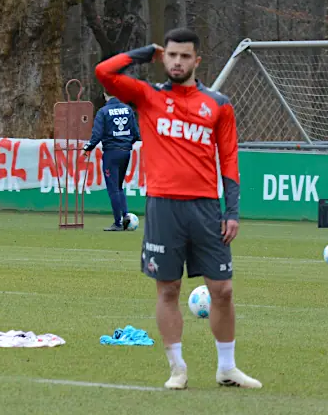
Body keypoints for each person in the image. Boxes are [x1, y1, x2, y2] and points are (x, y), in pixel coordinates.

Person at [95, 27, 261, 391]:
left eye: (185, 56)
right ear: (164, 57)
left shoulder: (218, 104)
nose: (177, 61)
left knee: (223, 290)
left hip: (205, 209)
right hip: (163, 208)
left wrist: (231, 211)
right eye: (171, 55)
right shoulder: (147, 97)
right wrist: (142, 53)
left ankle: (227, 367)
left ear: (196, 61)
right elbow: (104, 73)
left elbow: (229, 160)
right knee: (167, 290)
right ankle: (177, 369)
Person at [83, 94, 140, 231]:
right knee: (119, 187)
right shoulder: (128, 110)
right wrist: (126, 144)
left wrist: (88, 147)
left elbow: (97, 135)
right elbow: (136, 134)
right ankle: (126, 218)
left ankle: (118, 223)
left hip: (111, 153)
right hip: (126, 152)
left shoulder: (103, 111)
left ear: (104, 94)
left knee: (113, 188)